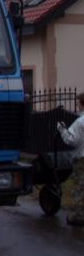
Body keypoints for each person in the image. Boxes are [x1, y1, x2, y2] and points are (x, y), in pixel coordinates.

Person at [57, 92, 84, 226]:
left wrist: (62, 130)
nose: (76, 105)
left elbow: (72, 140)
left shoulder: (80, 122)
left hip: (82, 160)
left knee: (80, 187)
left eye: (78, 102)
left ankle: (78, 216)